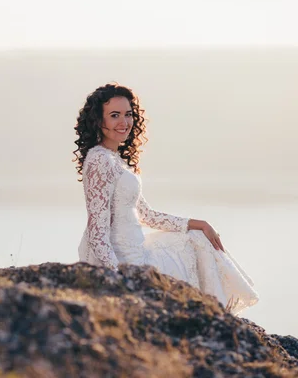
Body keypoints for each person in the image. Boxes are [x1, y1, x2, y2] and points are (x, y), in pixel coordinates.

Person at [74, 83, 258, 314]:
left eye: (128, 114)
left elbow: (145, 215)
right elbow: (97, 232)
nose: (124, 122)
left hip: (137, 249)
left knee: (197, 236)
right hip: (125, 259)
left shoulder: (114, 159)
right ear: (98, 121)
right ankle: (214, 315)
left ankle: (214, 314)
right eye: (114, 115)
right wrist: (119, 279)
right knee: (195, 243)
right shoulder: (100, 160)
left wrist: (197, 223)